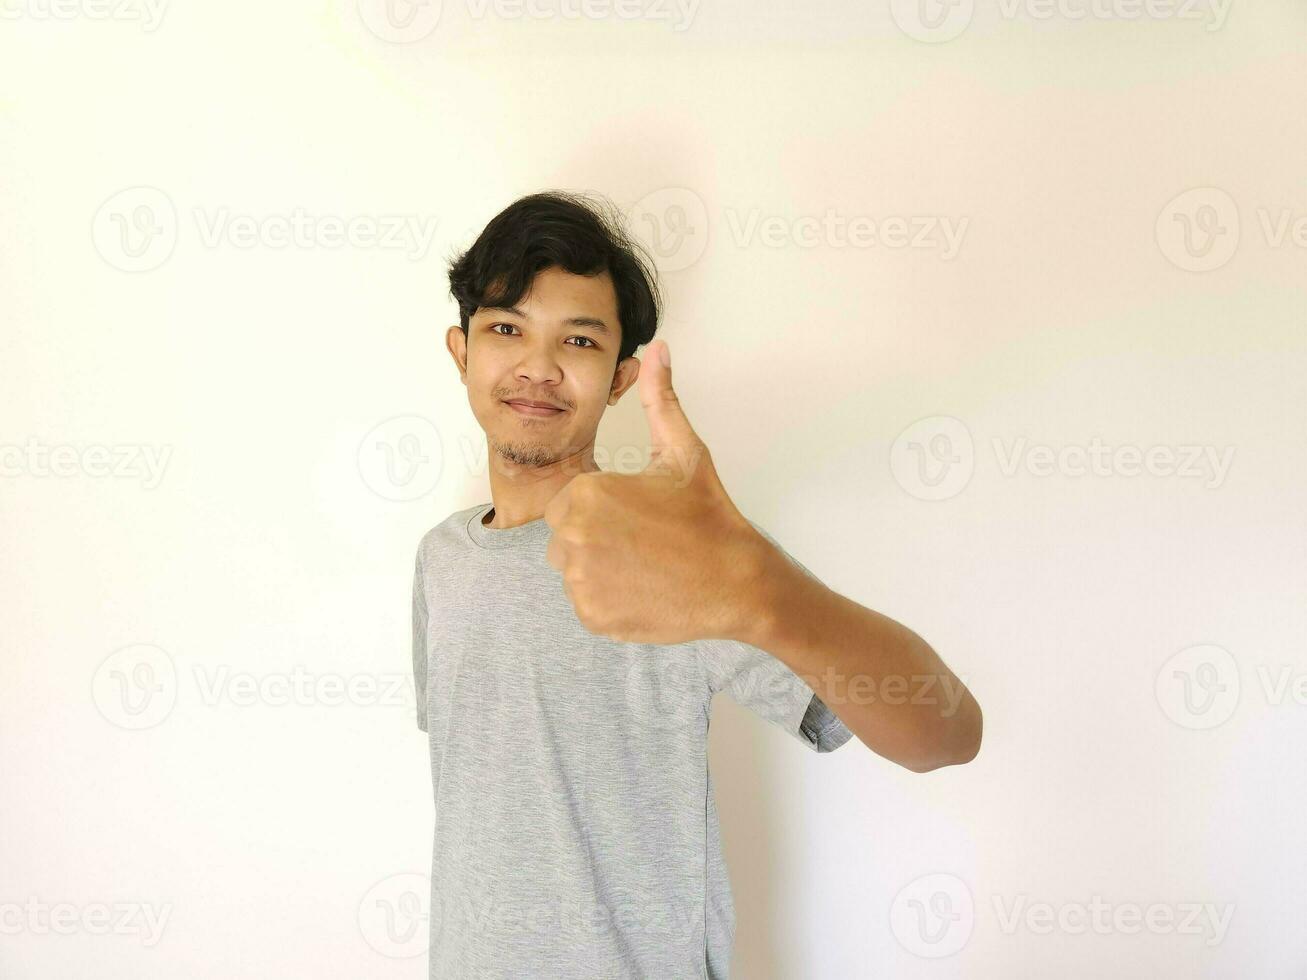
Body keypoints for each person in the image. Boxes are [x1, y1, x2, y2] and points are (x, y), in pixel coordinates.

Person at [411, 190, 982, 978]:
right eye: (506, 328)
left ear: (619, 379)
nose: (536, 368)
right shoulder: (440, 560)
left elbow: (946, 734)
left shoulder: (675, 554)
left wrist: (755, 582)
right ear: (460, 351)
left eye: (577, 340)